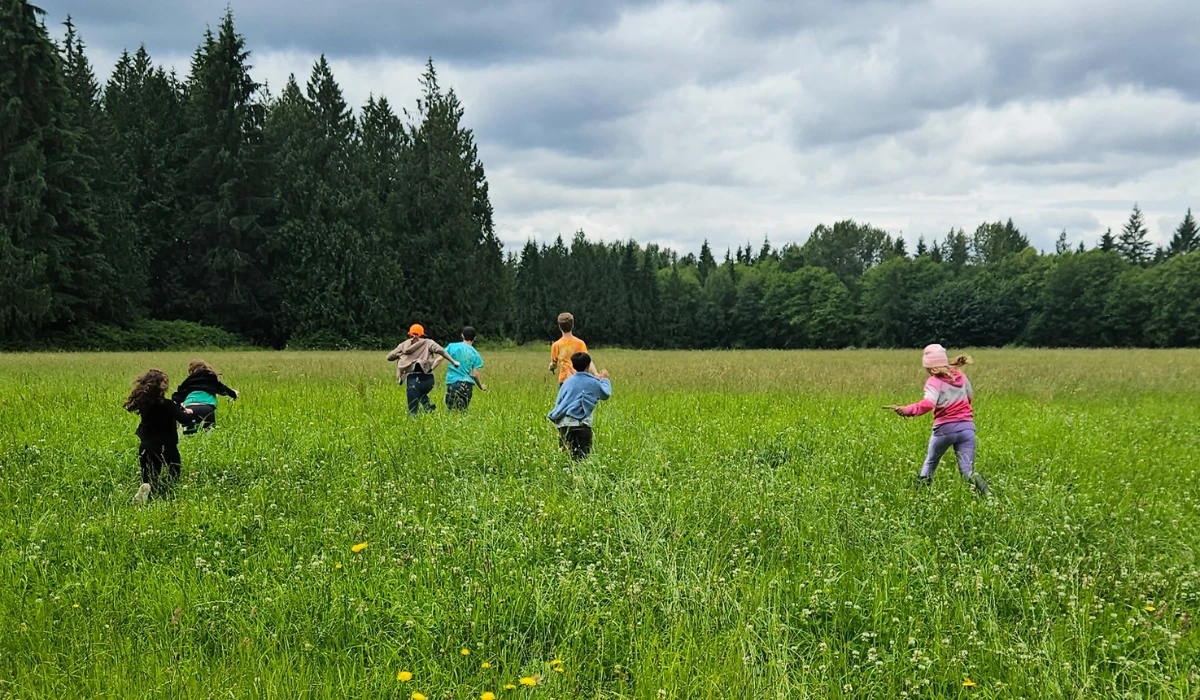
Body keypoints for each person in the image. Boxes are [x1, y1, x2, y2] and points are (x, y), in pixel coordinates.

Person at [887, 344, 990, 496]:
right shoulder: (960, 376)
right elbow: (969, 397)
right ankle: (986, 494)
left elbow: (928, 404)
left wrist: (907, 410)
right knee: (967, 471)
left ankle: (920, 496)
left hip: (944, 430)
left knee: (930, 462)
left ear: (929, 367)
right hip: (967, 429)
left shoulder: (934, 382)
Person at [123, 369, 193, 504]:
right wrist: (187, 412)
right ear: (160, 385)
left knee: (149, 477)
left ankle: (145, 492)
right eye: (165, 381)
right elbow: (185, 420)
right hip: (166, 446)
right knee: (174, 471)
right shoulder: (168, 405)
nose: (167, 384)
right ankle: (168, 496)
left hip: (146, 445)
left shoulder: (144, 403)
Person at [547, 352, 611, 460]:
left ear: (573, 365)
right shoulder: (593, 382)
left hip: (564, 424)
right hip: (582, 424)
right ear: (588, 366)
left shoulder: (567, 382)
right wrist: (604, 379)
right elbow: (605, 394)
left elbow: (559, 401)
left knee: (566, 457)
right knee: (582, 458)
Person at [386, 324, 460, 416]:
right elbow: (442, 351)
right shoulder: (429, 343)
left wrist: (400, 354)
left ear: (410, 334)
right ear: (422, 334)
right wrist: (453, 361)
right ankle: (427, 405)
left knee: (413, 411)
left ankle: (415, 419)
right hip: (429, 380)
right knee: (420, 392)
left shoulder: (403, 345)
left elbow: (389, 357)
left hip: (413, 379)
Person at [171, 359, 239, 434]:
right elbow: (223, 390)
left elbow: (176, 398)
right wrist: (234, 394)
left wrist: (181, 409)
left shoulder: (188, 383)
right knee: (209, 434)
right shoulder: (211, 379)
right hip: (207, 409)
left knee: (190, 434)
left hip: (190, 408)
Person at [444, 326, 487, 411]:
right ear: (475, 338)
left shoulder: (452, 346)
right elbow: (474, 374)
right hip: (467, 385)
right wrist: (481, 386)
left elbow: (439, 359)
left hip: (452, 382)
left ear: (462, 336)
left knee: (451, 410)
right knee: (463, 410)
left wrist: (430, 369)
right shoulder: (475, 354)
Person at [549, 312, 591, 386]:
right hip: (579, 378)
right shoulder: (580, 343)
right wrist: (596, 374)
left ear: (559, 326)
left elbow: (554, 364)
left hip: (564, 380)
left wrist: (551, 367)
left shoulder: (556, 345)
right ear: (572, 325)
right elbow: (587, 361)